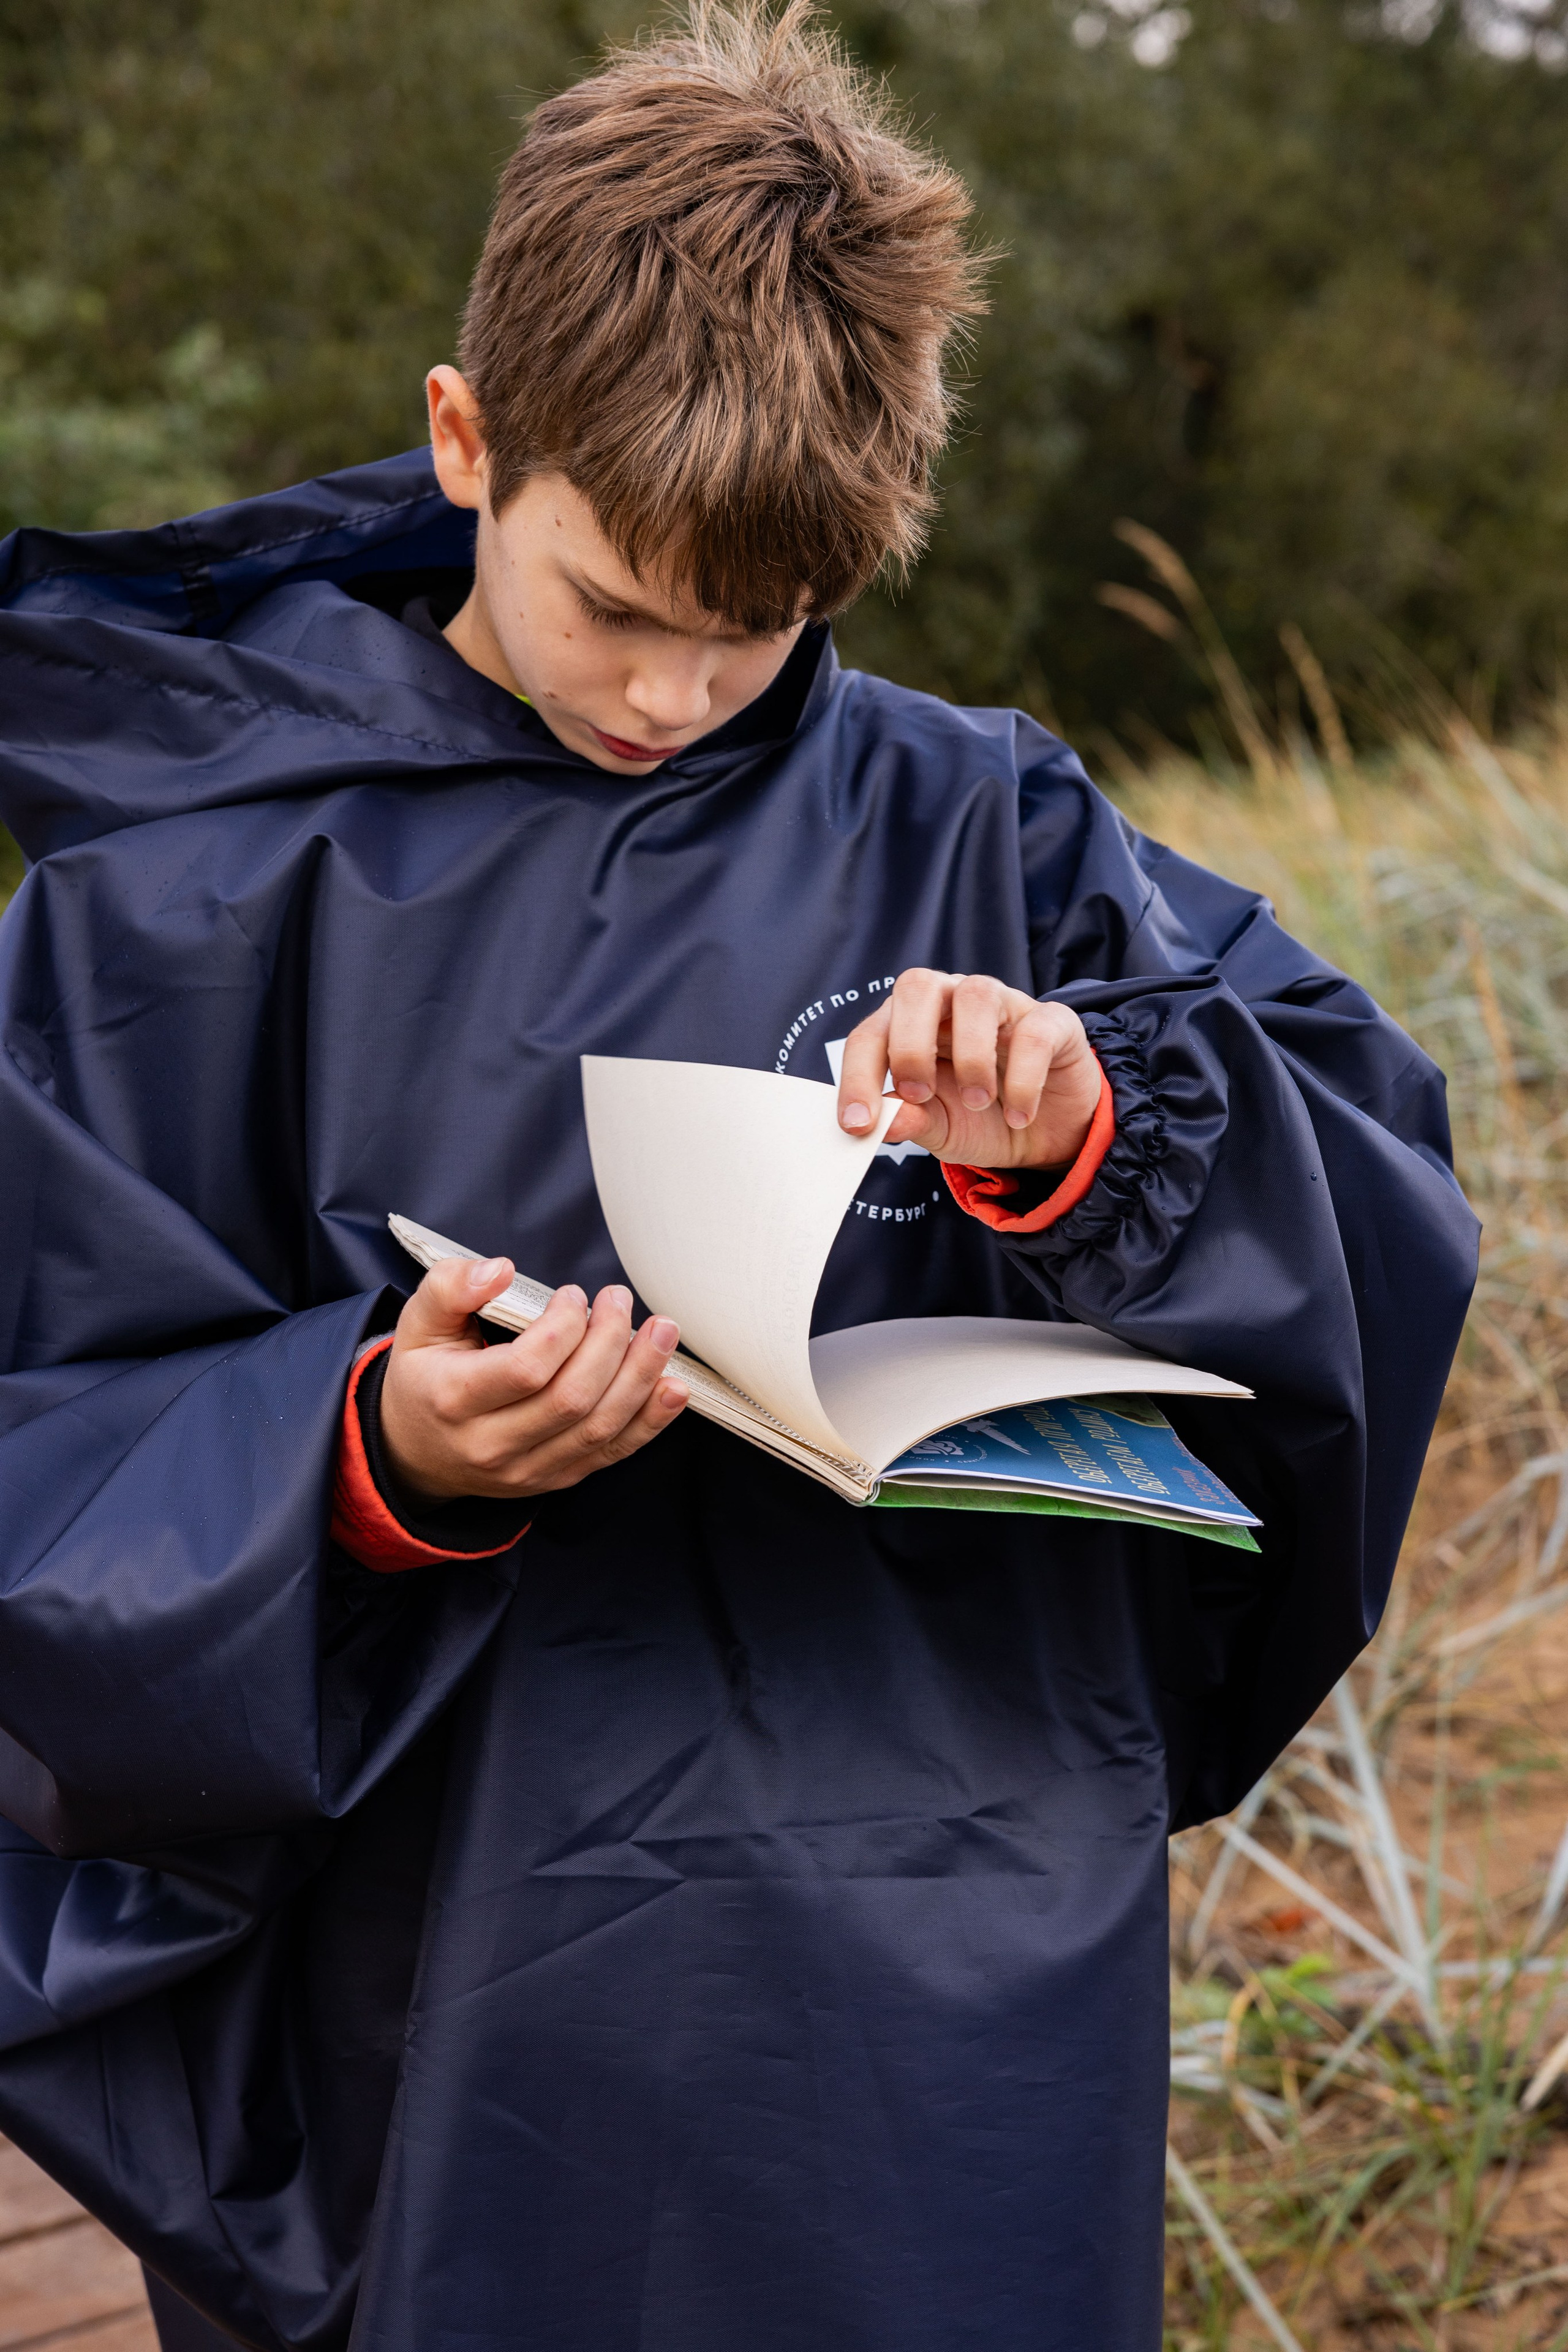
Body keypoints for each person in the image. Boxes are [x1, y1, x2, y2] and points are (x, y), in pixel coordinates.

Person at [0, 7, 1476, 2349]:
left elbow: (1368, 1167)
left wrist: (1083, 1130)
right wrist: (371, 1451)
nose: (679, 698)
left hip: (950, 1928)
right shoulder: (177, 900)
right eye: (621, 609)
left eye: (762, 630)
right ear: (468, 442)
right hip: (458, 1961)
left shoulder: (984, 825)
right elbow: (47, 1445)